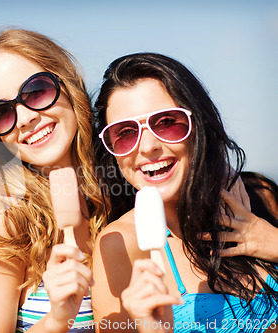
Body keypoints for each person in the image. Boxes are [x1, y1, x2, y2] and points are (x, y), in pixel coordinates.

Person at [91, 52, 278, 332]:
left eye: (167, 122)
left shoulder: (261, 197)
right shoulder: (118, 244)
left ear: (198, 124)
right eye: (125, 132)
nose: (147, 146)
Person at [0, 28, 107, 332]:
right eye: (1, 112)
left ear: (67, 85)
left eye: (36, 91)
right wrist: (57, 319)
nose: (25, 118)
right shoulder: (4, 222)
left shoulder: (118, 195)